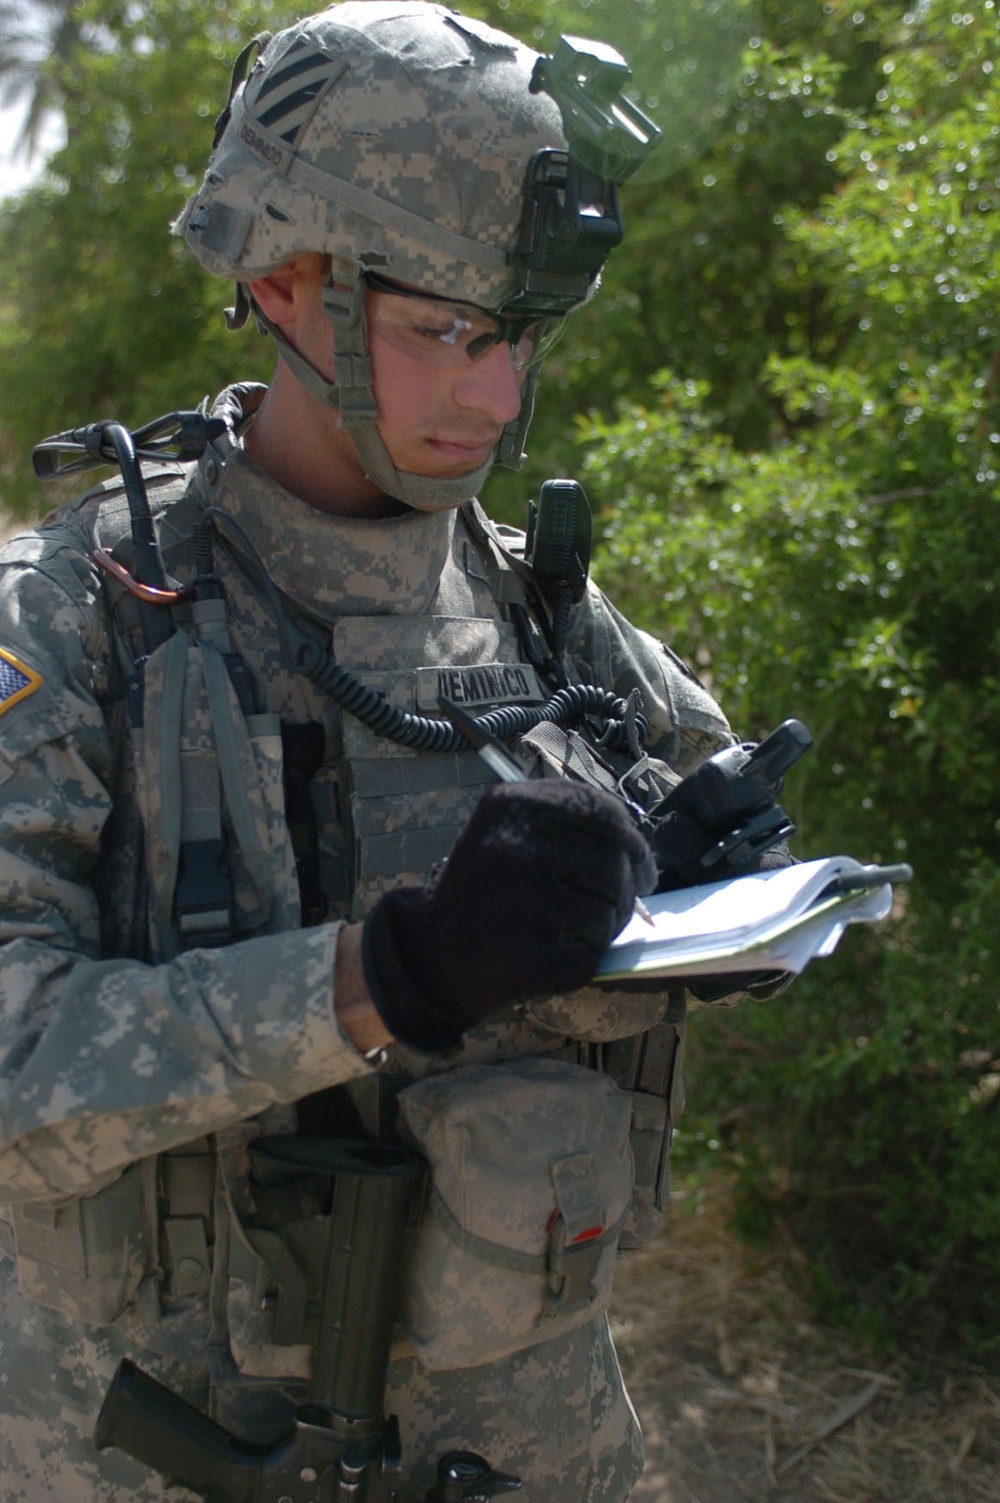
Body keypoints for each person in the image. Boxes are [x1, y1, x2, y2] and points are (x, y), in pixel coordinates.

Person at [0, 5, 785, 1498]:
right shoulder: (82, 621)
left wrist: (688, 901)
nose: (497, 398)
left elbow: (690, 817)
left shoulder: (532, 600)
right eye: (450, 333)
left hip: (525, 1430)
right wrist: (387, 977)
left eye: (523, 339)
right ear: (283, 282)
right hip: (178, 1448)